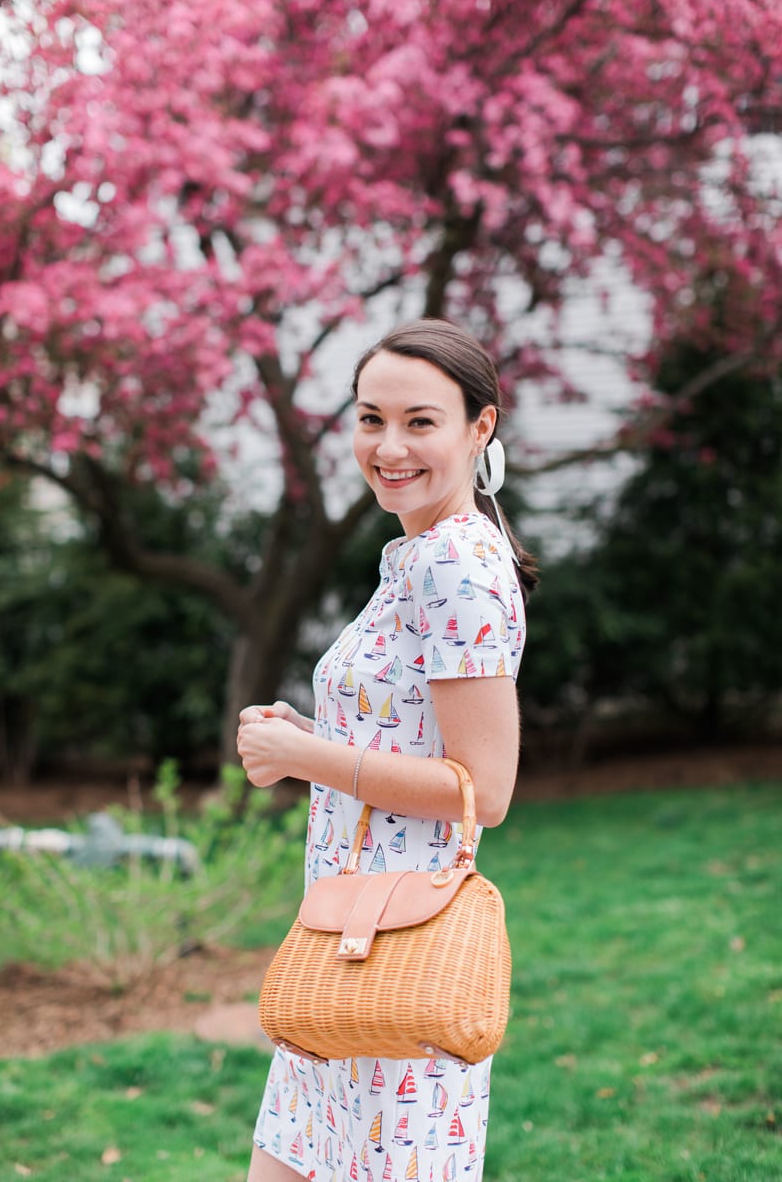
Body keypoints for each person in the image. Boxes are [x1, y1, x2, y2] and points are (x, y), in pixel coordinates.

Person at [237, 317, 538, 1182]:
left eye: (420, 421)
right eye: (371, 419)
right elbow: (407, 729)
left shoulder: (455, 565)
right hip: (345, 945)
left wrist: (306, 762)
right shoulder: (416, 554)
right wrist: (312, 738)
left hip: (400, 958)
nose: (389, 445)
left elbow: (487, 787)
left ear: (480, 428)